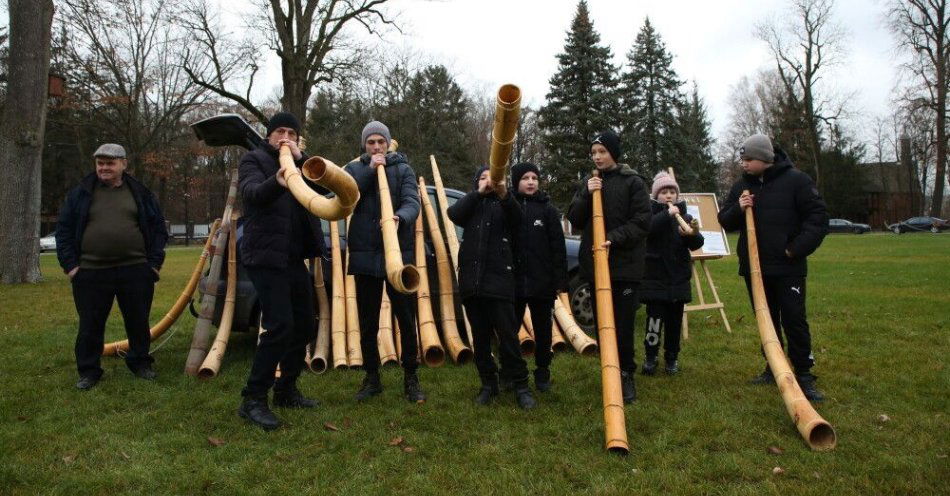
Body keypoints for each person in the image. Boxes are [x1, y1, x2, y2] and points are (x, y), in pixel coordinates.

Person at [717, 133, 829, 401]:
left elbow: (818, 219)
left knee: (794, 319)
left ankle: (803, 374)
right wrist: (738, 209)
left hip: (788, 267)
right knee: (766, 320)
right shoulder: (742, 186)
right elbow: (725, 220)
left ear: (765, 159)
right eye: (742, 159)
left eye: (749, 159)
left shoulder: (797, 182)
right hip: (755, 269)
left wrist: (795, 248)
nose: (743, 164)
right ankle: (773, 367)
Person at [237, 112, 328, 430]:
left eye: (291, 132)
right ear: (269, 135)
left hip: (292, 259)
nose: (285, 137)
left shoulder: (304, 165)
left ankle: (286, 389)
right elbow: (251, 194)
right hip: (264, 257)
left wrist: (304, 166)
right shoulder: (254, 160)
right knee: (279, 327)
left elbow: (325, 197)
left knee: (304, 325)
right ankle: (253, 400)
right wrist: (278, 178)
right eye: (280, 132)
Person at [55, 143, 168, 390]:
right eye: (100, 163)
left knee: (138, 321)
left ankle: (140, 363)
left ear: (124, 164)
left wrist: (154, 265)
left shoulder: (140, 192)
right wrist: (71, 267)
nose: (104, 168)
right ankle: (89, 371)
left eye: (110, 163)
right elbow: (63, 230)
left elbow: (159, 228)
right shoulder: (81, 192)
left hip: (136, 269)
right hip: (91, 272)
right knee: (90, 324)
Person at [566, 130, 651, 404]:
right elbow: (575, 218)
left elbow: (642, 221)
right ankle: (609, 371)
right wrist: (586, 194)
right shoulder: (590, 182)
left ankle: (626, 374)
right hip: (595, 266)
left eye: (602, 151)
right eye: (593, 153)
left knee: (623, 325)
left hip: (624, 268)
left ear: (614, 152)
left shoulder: (633, 182)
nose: (597, 157)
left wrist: (613, 238)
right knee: (603, 324)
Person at [343, 121, 425, 403]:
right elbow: (348, 197)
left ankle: (411, 377)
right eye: (371, 143)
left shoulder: (403, 169)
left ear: (389, 143)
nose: (376, 147)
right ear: (364, 146)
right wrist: (369, 170)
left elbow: (413, 202)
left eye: (381, 142)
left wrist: (399, 217)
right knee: (367, 322)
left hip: (397, 255)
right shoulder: (354, 170)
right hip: (365, 255)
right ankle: (372, 377)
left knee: (405, 317)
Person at [449, 166, 536, 409]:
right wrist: (478, 193)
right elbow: (453, 214)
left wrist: (503, 193)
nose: (489, 181)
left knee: (508, 337)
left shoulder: (506, 204)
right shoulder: (472, 203)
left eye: (493, 177)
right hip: (472, 283)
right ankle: (488, 384)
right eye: (484, 177)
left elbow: (519, 219)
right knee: (480, 338)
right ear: (477, 182)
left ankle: (521, 385)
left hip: (499, 282)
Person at [510, 162, 568, 392]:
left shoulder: (548, 211)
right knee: (509, 329)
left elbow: (558, 248)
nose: (531, 182)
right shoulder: (509, 207)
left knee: (543, 331)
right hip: (514, 283)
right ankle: (510, 371)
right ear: (516, 181)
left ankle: (542, 371)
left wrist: (560, 280)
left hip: (542, 284)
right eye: (526, 178)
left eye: (535, 177)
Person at [640, 172, 704, 376]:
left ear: (677, 195)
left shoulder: (685, 217)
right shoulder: (650, 215)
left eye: (672, 192)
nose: (668, 196)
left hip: (678, 279)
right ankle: (651, 357)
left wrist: (691, 235)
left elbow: (697, 243)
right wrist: (666, 214)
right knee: (654, 321)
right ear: (656, 196)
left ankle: (671, 358)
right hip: (655, 278)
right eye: (664, 192)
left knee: (674, 323)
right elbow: (647, 230)